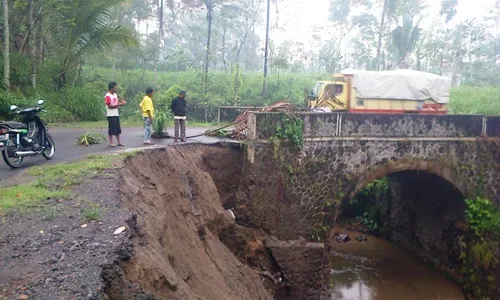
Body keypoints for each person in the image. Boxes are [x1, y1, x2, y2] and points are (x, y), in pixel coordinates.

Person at [104, 81, 126, 147]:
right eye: (115, 88)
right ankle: (111, 142)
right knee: (111, 129)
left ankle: (119, 142)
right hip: (110, 115)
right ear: (111, 88)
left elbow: (117, 102)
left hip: (116, 114)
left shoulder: (115, 95)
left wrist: (122, 103)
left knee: (117, 129)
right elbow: (109, 106)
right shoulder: (107, 96)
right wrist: (120, 104)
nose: (116, 89)